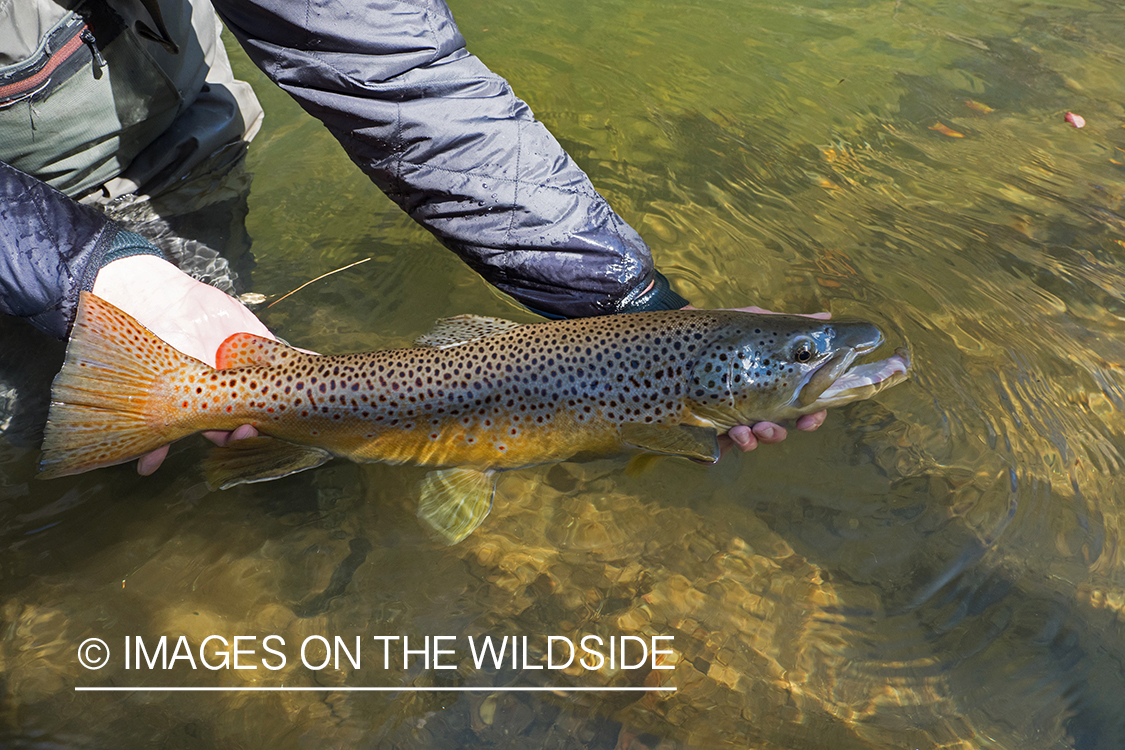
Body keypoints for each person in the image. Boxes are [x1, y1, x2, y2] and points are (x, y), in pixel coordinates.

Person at [0, 0, 824, 475]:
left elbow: (403, 77)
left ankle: (171, 416)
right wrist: (88, 272)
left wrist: (642, 306)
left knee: (180, 415)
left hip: (160, 131)